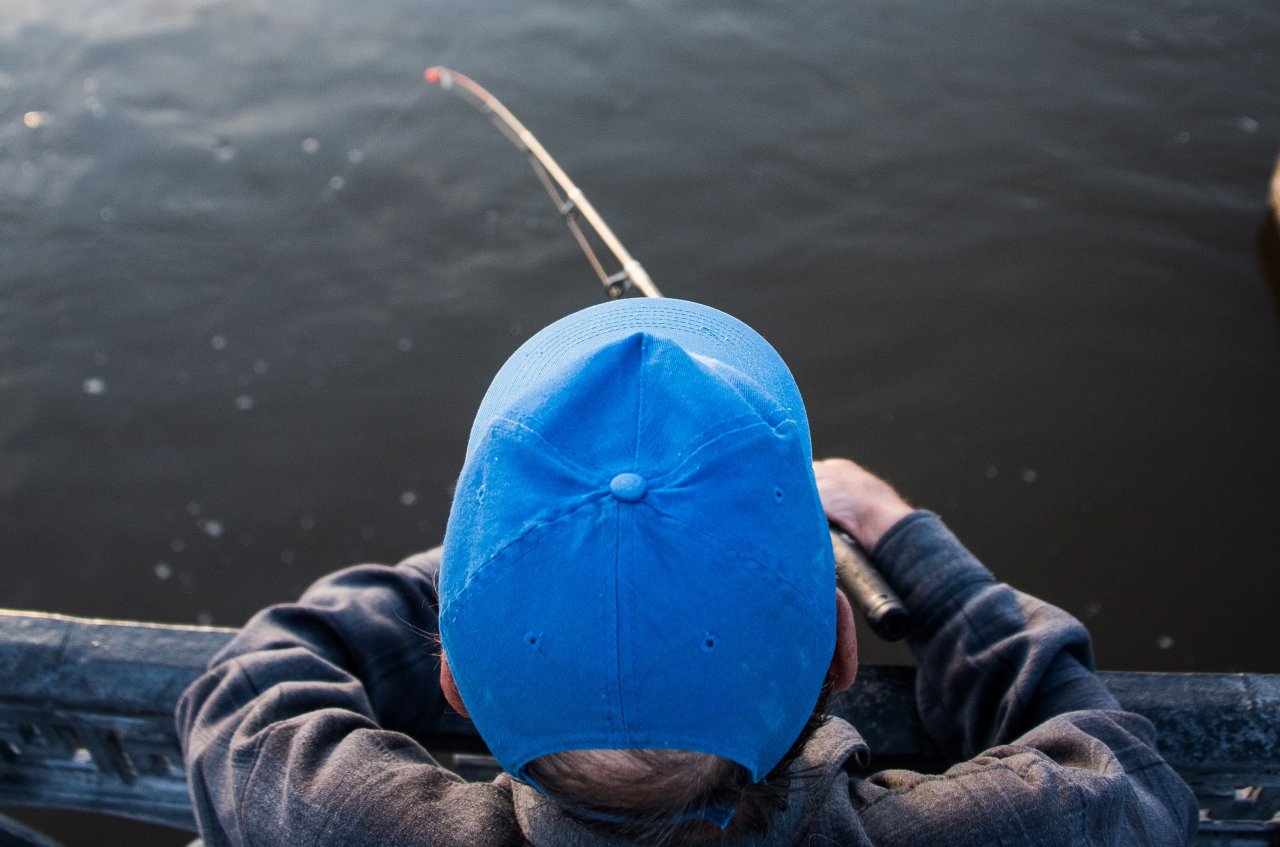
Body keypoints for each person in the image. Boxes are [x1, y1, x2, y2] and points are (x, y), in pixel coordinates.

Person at [177, 297, 1197, 846]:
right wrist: (894, 532)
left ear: (451, 676)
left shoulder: (343, 818)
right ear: (839, 651)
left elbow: (252, 683)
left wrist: (518, 542)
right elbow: (1115, 764)